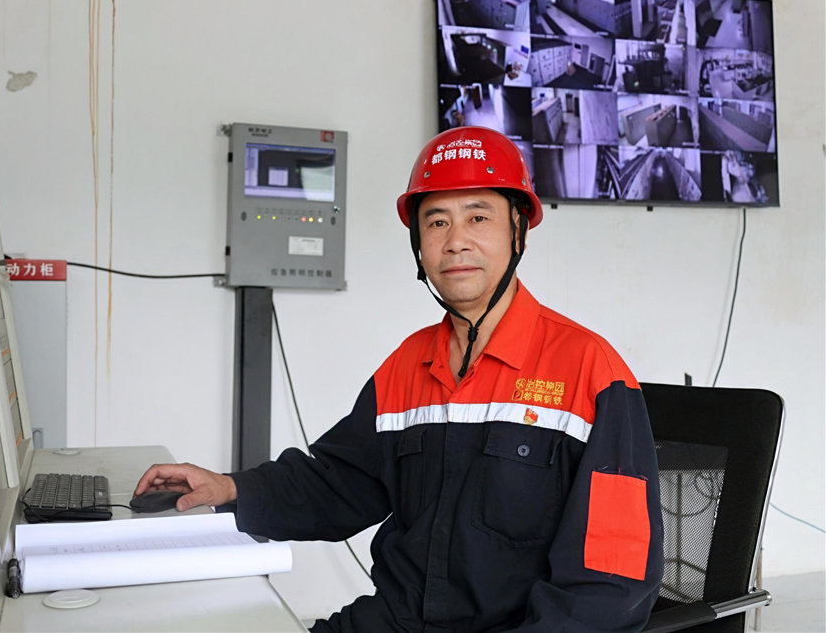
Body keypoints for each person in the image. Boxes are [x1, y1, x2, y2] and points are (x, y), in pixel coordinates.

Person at [136, 126, 663, 631]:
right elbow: (338, 485)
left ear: (518, 230)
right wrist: (228, 488)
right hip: (395, 622)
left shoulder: (591, 372)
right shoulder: (408, 365)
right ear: (418, 242)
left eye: (478, 217)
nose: (456, 241)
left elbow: (609, 586)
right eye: (437, 222)